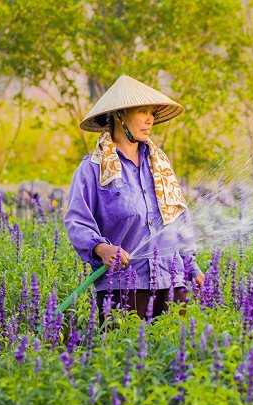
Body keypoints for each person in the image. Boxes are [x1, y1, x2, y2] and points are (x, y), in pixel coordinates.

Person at [65, 75, 204, 325]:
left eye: (152, 112)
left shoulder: (159, 165)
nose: (150, 119)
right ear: (119, 115)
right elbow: (77, 222)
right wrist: (101, 248)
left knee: (174, 358)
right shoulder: (93, 169)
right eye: (142, 111)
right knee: (122, 358)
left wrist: (191, 266)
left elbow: (180, 219)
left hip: (171, 281)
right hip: (122, 286)